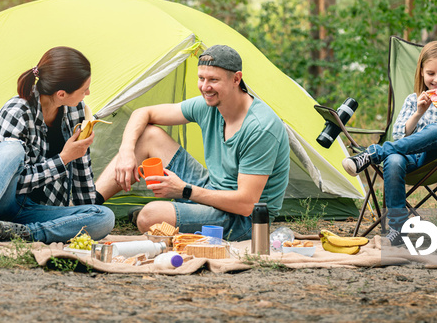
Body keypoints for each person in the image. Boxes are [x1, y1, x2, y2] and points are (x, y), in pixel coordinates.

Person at [95, 45, 290, 242]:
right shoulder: (209, 105)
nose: (205, 87)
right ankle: (88, 204)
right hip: (212, 188)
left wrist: (184, 190)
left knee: (150, 216)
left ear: (236, 79)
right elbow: (143, 113)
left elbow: (246, 204)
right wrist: (126, 152)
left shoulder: (260, 127)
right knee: (148, 135)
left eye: (213, 80)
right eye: (201, 78)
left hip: (245, 220)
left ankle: (172, 214)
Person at [0, 46, 115, 252]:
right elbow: (6, 180)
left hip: (24, 209)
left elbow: (81, 169)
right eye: (84, 89)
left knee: (103, 217)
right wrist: (63, 159)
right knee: (13, 148)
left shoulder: (76, 111)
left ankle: (15, 232)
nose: (88, 93)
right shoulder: (17, 112)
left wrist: (87, 211)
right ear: (61, 94)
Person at [342, 40, 437, 246]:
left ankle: (372, 154)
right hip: (410, 157)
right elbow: (397, 135)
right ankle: (398, 230)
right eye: (431, 73)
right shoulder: (413, 100)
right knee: (393, 160)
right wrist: (419, 113)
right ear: (421, 72)